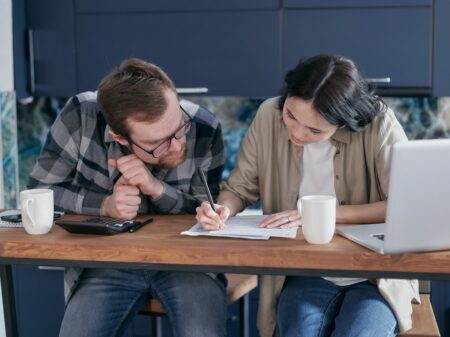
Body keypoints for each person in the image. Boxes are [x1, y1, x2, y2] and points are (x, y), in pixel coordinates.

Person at [196, 55, 419, 337]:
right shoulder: (267, 114)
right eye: (290, 115)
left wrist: (321, 215)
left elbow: (406, 204)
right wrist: (222, 208)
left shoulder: (379, 124)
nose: (296, 133)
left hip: (374, 274)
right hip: (305, 268)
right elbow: (239, 188)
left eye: (314, 130)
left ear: (343, 123)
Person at [28, 58, 227, 337]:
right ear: (120, 138)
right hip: (106, 261)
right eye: (160, 143)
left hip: (189, 262)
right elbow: (40, 192)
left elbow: (207, 209)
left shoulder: (205, 127)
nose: (178, 145)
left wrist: (156, 188)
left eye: (179, 127)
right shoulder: (80, 116)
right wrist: (105, 206)